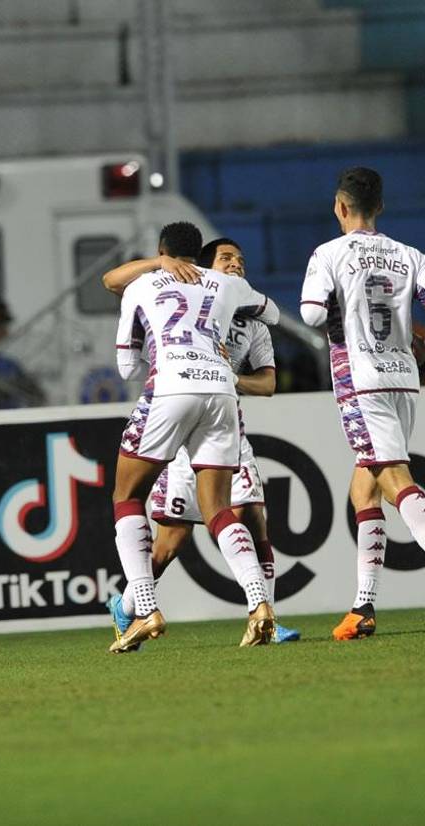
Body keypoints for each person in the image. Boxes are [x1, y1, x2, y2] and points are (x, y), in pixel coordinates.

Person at [300, 167, 425, 640]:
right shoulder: (408, 255)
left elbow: (313, 312)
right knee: (364, 490)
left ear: (340, 207)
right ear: (379, 207)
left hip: (360, 381)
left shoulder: (329, 253)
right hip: (405, 377)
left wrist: (337, 318)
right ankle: (363, 607)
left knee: (394, 477)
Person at [100, 237, 301, 645]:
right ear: (203, 266)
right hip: (192, 423)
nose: (237, 265)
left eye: (242, 260)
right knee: (171, 540)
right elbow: (112, 280)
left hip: (211, 412)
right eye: (227, 258)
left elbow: (268, 383)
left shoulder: (250, 322)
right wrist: (163, 262)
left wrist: (232, 375)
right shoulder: (183, 289)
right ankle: (127, 606)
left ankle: (264, 613)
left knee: (253, 517)